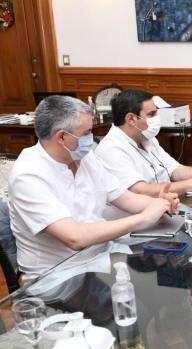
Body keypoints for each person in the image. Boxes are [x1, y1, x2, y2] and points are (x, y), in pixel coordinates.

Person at [9, 95, 178, 281]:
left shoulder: (83, 156)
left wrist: (159, 203)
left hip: (99, 258)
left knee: (166, 273)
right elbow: (75, 238)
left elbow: (126, 199)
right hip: (57, 275)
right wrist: (144, 217)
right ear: (62, 136)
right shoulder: (28, 175)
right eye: (86, 132)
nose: (91, 139)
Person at [95, 89, 192, 200]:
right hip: (137, 217)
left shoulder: (146, 137)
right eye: (151, 114)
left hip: (164, 206)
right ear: (131, 119)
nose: (157, 118)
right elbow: (141, 191)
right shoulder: (111, 149)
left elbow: (174, 169)